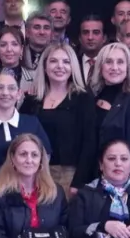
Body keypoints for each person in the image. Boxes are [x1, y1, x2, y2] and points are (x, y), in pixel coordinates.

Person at [20, 42, 96, 190]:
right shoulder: (32, 100)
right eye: (53, 61)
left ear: (73, 66)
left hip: (68, 176)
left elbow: (90, 143)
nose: (60, 66)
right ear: (44, 66)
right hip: (34, 173)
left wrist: (78, 182)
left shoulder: (83, 98)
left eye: (66, 61)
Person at [90, 42, 130, 182]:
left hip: (120, 181)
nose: (114, 67)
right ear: (100, 66)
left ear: (128, 67)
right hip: (90, 178)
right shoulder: (90, 99)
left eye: (120, 62)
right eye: (109, 62)